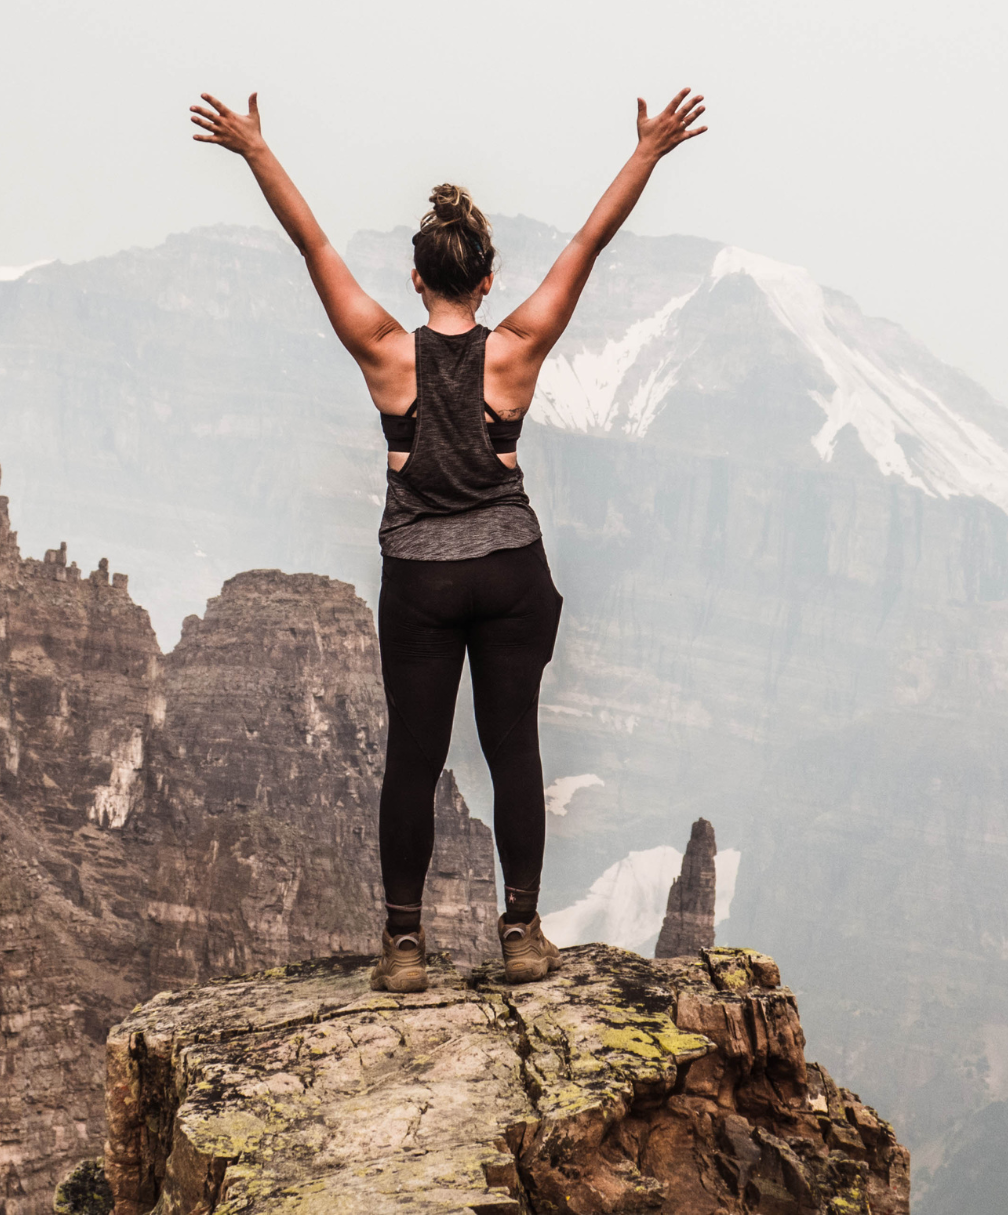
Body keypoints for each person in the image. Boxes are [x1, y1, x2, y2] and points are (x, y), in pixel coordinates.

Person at [190, 85, 707, 991]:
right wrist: (647, 153)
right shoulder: (517, 351)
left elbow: (312, 245)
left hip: (421, 582)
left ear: (419, 278)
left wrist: (256, 151)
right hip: (510, 571)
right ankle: (519, 933)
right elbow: (590, 243)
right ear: (489, 279)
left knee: (415, 759)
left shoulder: (388, 353)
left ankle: (403, 948)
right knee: (514, 751)